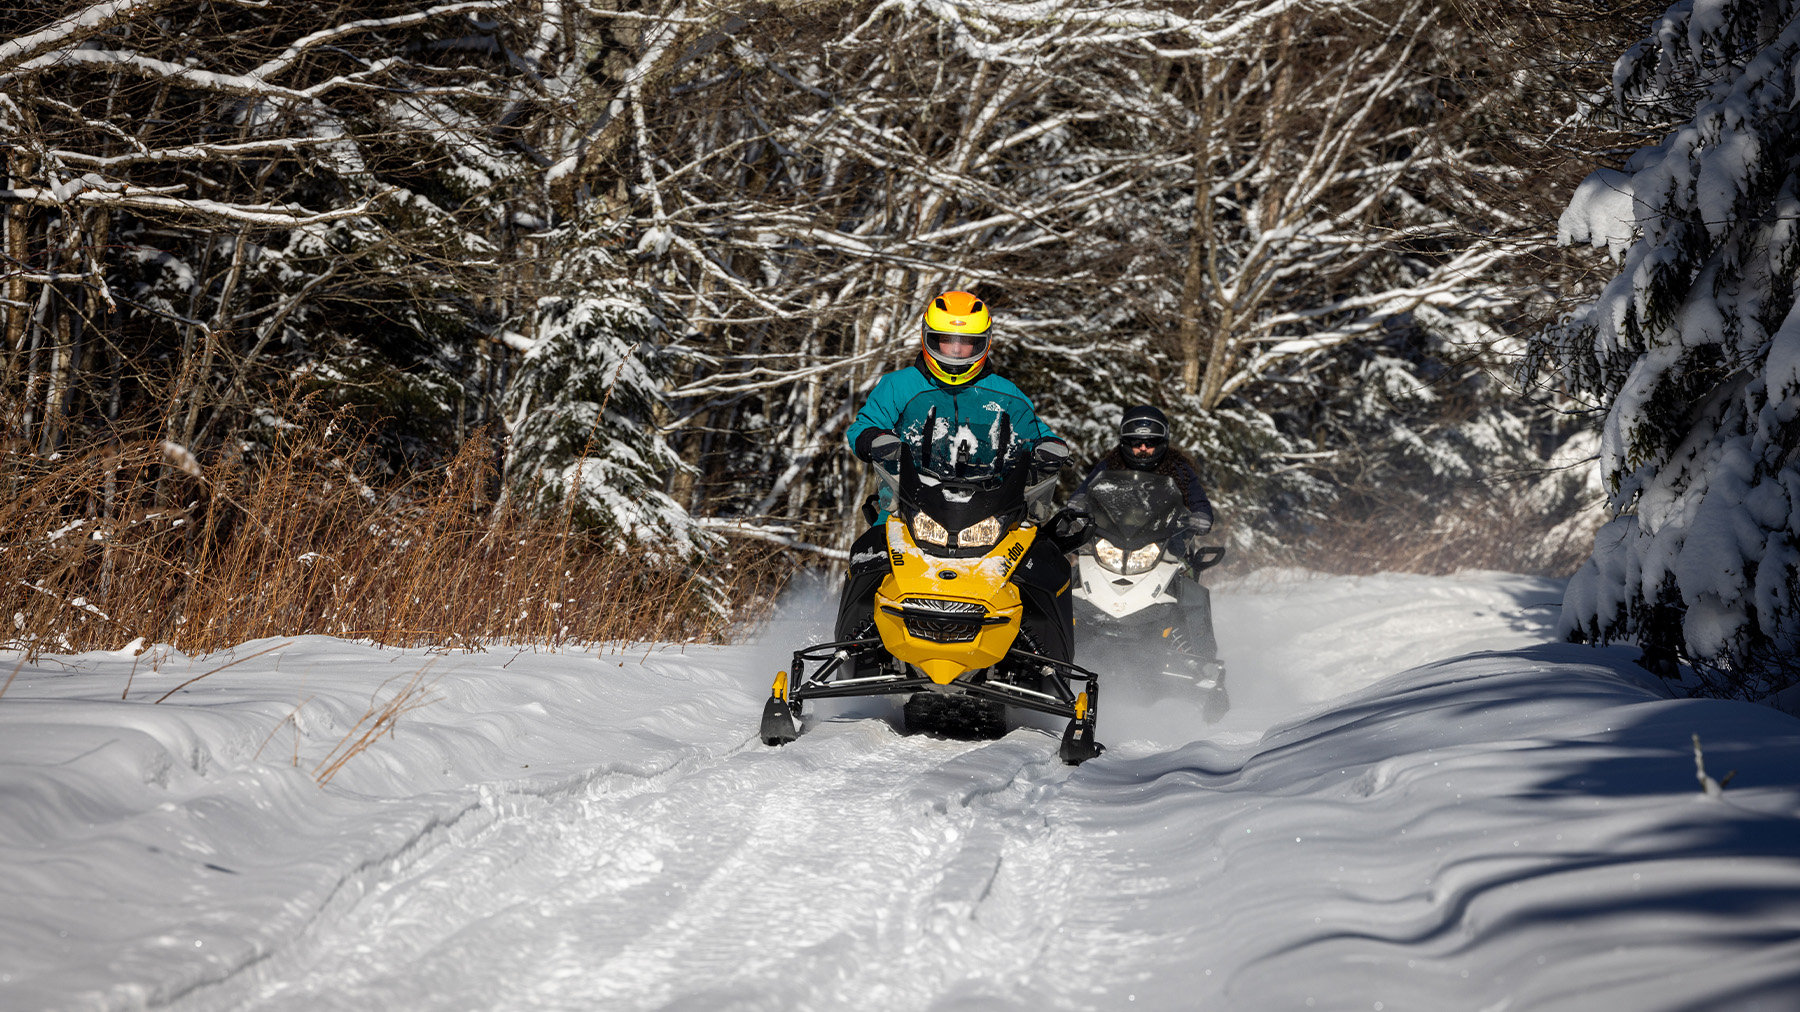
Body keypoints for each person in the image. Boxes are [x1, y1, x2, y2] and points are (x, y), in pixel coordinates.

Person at [845, 290, 1069, 517]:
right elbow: (863, 426)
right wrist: (874, 440)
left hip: (991, 511)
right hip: (908, 508)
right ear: (929, 338)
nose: (955, 350)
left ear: (984, 342)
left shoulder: (1005, 393)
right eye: (946, 340)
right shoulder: (899, 385)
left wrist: (1048, 447)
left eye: (967, 342)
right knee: (871, 549)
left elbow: (1037, 431)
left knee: (1041, 549)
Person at [1073, 404, 1220, 661]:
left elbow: (1199, 502)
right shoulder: (1110, 464)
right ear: (1124, 443)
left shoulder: (1179, 469)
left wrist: (1201, 517)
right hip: (1113, 542)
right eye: (1135, 443)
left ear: (1162, 443)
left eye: (1150, 443)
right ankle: (1059, 645)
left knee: (1190, 591)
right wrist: (1077, 504)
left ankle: (1203, 661)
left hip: (1167, 543)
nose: (1142, 449)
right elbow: (1087, 490)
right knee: (1071, 578)